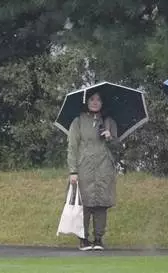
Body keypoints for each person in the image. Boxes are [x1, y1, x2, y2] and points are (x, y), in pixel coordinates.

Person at [67, 91, 121, 251]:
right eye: (92, 99)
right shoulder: (78, 122)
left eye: (99, 99)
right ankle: (83, 238)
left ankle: (98, 238)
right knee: (85, 203)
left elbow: (118, 147)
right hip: (84, 168)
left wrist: (110, 137)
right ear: (86, 102)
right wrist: (73, 171)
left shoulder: (109, 121)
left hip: (104, 168)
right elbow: (72, 147)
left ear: (103, 103)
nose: (95, 102)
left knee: (101, 204)